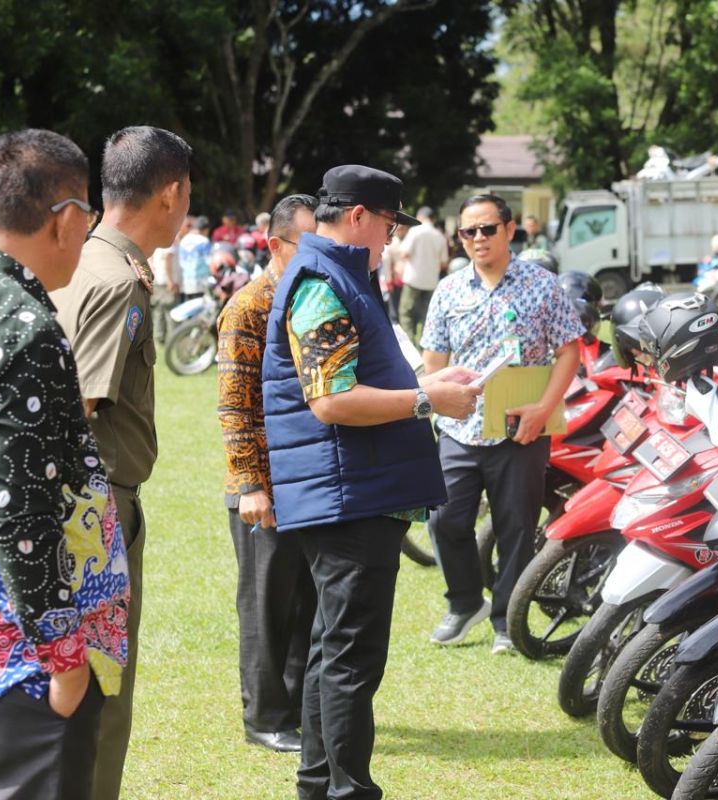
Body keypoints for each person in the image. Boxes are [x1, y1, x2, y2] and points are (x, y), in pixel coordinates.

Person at [0, 129, 128, 800]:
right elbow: (21, 515)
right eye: (89, 215)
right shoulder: (21, 325)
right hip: (16, 657)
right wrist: (63, 654)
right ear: (67, 220)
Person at [262, 165, 480, 800]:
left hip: (350, 491)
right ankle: (347, 790)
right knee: (351, 663)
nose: (392, 240)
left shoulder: (338, 275)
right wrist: (426, 399)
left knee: (335, 656)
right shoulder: (321, 282)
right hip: (346, 496)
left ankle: (319, 785)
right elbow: (331, 401)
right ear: (359, 216)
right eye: (389, 224)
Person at [51, 125, 192, 800]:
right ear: (171, 192)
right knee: (104, 698)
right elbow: (80, 405)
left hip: (65, 505)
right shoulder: (118, 279)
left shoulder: (74, 261)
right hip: (95, 508)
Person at [421, 193, 585, 653]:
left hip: (522, 428)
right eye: (468, 232)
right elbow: (433, 360)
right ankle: (464, 602)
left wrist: (543, 409)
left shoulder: (543, 285)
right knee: (444, 520)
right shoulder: (448, 290)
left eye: (487, 229)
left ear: (510, 230)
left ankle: (504, 621)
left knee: (516, 527)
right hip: (461, 428)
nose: (478, 239)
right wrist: (440, 386)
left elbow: (569, 349)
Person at [217, 193, 319, 755]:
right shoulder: (249, 307)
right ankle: (264, 716)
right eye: (308, 243)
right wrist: (251, 484)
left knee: (303, 599)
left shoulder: (306, 299)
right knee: (264, 604)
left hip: (305, 479)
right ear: (276, 245)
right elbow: (234, 406)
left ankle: (296, 704)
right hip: (263, 486)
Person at [398, 205, 449, 344]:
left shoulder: (415, 231)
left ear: (420, 217)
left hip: (413, 279)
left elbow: (403, 253)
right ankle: (423, 344)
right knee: (426, 316)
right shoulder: (440, 235)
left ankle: (410, 345)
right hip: (431, 282)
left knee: (406, 313)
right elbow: (444, 263)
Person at [149, 222, 183, 345]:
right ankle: (172, 338)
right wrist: (171, 281)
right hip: (167, 281)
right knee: (171, 311)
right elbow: (168, 261)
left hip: (158, 280)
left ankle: (159, 337)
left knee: (159, 310)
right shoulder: (170, 241)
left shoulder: (157, 240)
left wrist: (154, 273)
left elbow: (150, 259)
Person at [178, 215, 212, 299]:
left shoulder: (183, 241)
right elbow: (209, 261)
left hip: (187, 282)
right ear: (206, 230)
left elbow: (181, 261)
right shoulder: (204, 241)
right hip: (202, 282)